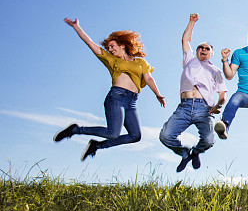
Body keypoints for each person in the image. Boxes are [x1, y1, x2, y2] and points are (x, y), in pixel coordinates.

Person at [54, 18, 165, 160]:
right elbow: (89, 43)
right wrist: (77, 27)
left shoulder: (140, 62)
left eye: (113, 46)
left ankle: (97, 146)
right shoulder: (111, 60)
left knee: (135, 136)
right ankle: (75, 130)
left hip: (132, 102)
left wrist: (158, 94)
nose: (111, 50)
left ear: (122, 45)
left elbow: (148, 78)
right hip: (116, 98)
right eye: (109, 48)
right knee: (113, 133)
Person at [158, 14, 227, 172]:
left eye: (207, 48)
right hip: (184, 107)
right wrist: (192, 22)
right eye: (200, 48)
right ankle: (184, 152)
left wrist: (218, 105)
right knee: (166, 136)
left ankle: (196, 152)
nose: (203, 50)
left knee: (209, 140)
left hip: (204, 109)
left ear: (211, 53)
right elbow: (185, 40)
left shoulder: (216, 71)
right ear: (196, 52)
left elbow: (222, 94)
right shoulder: (189, 60)